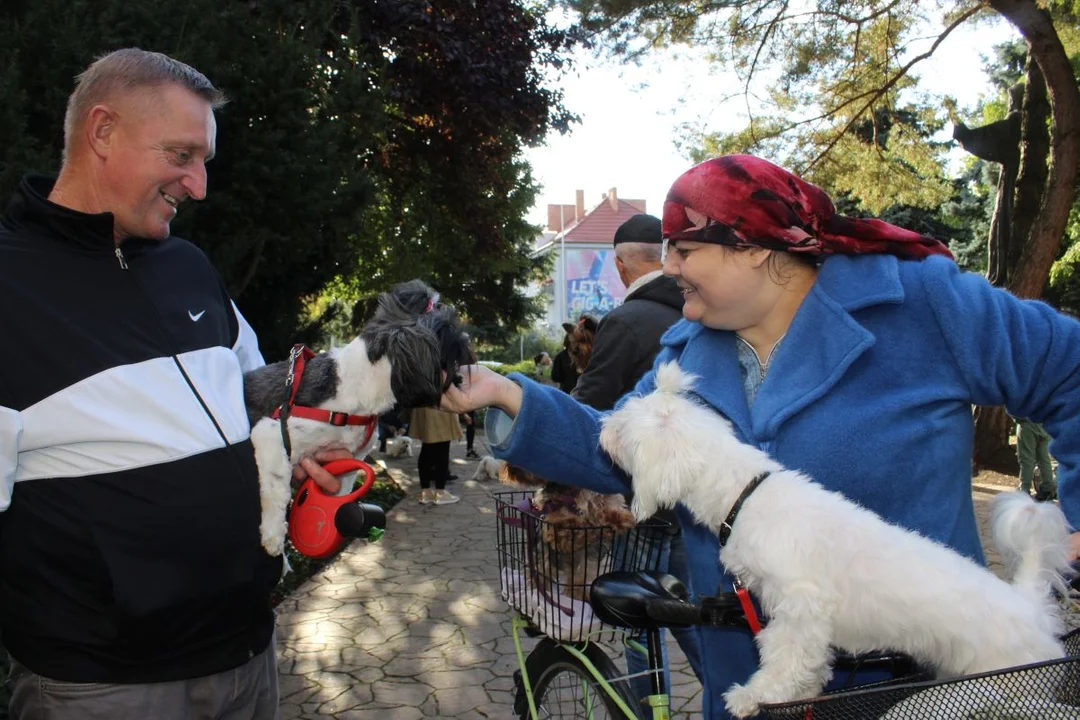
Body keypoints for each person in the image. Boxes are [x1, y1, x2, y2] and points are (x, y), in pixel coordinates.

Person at [440, 154, 1080, 719]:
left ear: (754, 247)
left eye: (684, 251)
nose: (668, 268)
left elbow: (1069, 370)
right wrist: (505, 392)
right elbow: (611, 446)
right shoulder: (686, 349)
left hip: (921, 669)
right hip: (754, 673)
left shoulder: (922, 304)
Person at [0, 49, 352, 719]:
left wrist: (294, 449)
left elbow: (253, 397)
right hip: (101, 688)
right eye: (182, 155)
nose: (198, 185)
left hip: (248, 660)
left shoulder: (189, 265)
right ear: (102, 132)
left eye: (204, 162)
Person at [572, 213, 703, 710]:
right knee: (691, 607)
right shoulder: (698, 313)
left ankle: (648, 706)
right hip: (695, 489)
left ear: (622, 266)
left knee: (636, 612)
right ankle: (732, 691)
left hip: (641, 493)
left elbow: (591, 406)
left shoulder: (625, 321)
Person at [410, 406, 463, 505]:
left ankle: (426, 492)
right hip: (439, 406)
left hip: (422, 406)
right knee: (442, 449)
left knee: (426, 448)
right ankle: (440, 493)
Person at [1017, 418, 1057, 500]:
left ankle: (1024, 488)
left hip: (1027, 423)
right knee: (1044, 458)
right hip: (1044, 425)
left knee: (1026, 458)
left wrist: (1018, 418)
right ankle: (1048, 487)